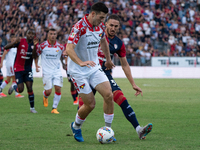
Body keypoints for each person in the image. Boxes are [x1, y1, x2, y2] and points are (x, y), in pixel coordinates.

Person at [79, 14, 153, 140]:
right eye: (111, 25)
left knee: (121, 98)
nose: (113, 28)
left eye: (116, 26)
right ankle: (77, 128)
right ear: (106, 24)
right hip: (88, 73)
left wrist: (133, 84)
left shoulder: (118, 43)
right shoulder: (95, 34)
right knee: (84, 106)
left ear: (118, 27)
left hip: (104, 75)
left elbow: (125, 64)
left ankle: (138, 129)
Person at [64, 2, 115, 142]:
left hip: (94, 67)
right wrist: (80, 62)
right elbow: (69, 48)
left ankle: (108, 131)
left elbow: (103, 41)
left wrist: (108, 59)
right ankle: (76, 126)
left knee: (109, 95)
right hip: (78, 71)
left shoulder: (99, 26)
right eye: (101, 17)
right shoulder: (79, 27)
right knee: (90, 104)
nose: (103, 21)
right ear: (93, 14)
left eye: (104, 18)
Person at [3, 29, 37, 113]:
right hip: (18, 68)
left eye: (32, 34)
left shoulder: (34, 44)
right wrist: (14, 43)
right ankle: (14, 86)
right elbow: (5, 47)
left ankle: (32, 108)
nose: (30, 35)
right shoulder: (20, 41)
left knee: (29, 87)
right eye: (29, 33)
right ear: (26, 34)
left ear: (34, 35)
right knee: (21, 89)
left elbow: (34, 56)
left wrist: (35, 47)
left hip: (28, 68)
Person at [33, 28, 65, 114]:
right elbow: (36, 55)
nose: (53, 35)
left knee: (58, 88)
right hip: (47, 71)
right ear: (48, 35)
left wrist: (64, 64)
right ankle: (45, 95)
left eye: (54, 34)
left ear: (56, 35)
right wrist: (36, 65)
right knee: (49, 91)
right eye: (51, 34)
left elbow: (62, 56)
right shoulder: (42, 46)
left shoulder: (60, 46)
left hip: (57, 70)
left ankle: (54, 108)